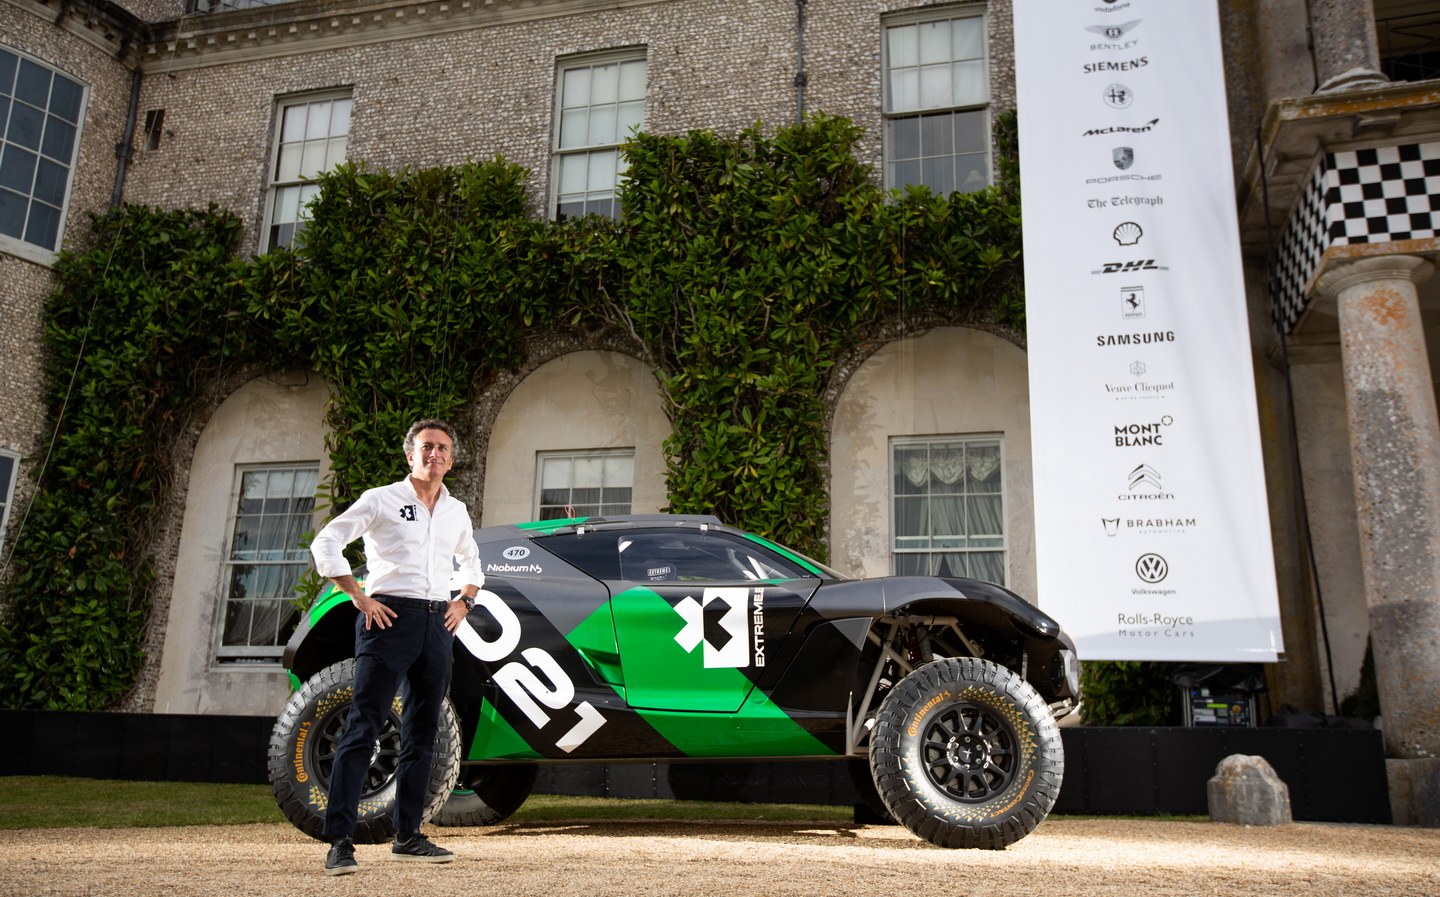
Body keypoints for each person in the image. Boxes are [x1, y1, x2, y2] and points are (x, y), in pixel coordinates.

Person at [308, 418, 483, 876]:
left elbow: (473, 565)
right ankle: (340, 843)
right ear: (411, 455)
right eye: (426, 447)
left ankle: (408, 837)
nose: (435, 455)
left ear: (451, 457)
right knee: (362, 728)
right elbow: (326, 540)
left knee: (423, 734)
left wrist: (463, 602)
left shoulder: (456, 510)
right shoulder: (381, 499)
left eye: (443, 448)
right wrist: (357, 595)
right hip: (387, 618)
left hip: (436, 624)